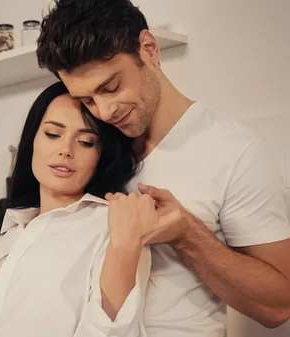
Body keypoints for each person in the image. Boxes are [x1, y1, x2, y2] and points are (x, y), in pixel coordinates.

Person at [35, 0, 290, 336]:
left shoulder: (236, 152)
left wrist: (187, 234)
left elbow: (279, 306)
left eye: (110, 87)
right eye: (86, 100)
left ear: (149, 49)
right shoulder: (94, 145)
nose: (105, 110)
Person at [0, 81, 155, 337]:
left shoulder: (112, 227)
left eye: (85, 142)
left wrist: (124, 245)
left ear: (101, 156)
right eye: (52, 134)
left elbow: (113, 330)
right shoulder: (7, 234)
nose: (65, 150)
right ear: (32, 142)